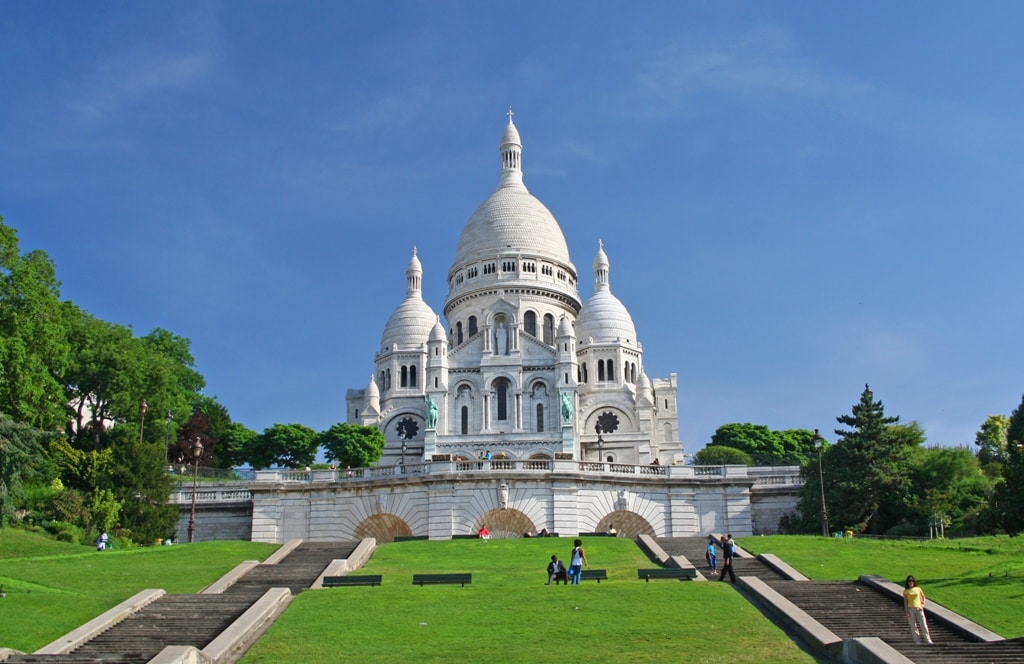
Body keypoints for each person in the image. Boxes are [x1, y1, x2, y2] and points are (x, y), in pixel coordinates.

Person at [903, 575, 933, 645]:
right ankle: (917, 640)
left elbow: (923, 597)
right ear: (907, 582)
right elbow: (905, 602)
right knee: (913, 625)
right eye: (909, 581)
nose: (911, 582)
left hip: (919, 608)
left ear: (914, 582)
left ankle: (928, 639)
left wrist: (922, 604)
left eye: (912, 581)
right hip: (910, 608)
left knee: (923, 624)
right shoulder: (906, 591)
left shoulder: (918, 589)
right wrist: (906, 611)